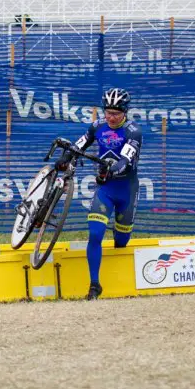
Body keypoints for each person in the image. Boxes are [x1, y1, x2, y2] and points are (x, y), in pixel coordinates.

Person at [54, 88, 143, 300]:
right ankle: (94, 285)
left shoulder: (133, 131)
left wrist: (109, 171)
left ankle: (119, 236)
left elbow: (126, 162)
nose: (111, 117)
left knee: (121, 241)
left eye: (116, 113)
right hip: (105, 190)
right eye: (108, 112)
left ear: (125, 112)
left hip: (126, 190)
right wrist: (65, 157)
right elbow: (79, 144)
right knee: (95, 234)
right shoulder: (97, 126)